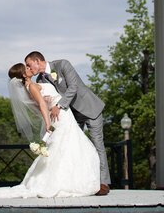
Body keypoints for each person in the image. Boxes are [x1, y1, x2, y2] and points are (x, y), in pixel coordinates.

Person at [0, 62, 100, 199]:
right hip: (59, 116)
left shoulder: (29, 87)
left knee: (65, 146)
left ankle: (66, 180)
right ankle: (64, 182)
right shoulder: (31, 85)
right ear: (24, 74)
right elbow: (42, 106)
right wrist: (48, 124)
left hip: (61, 113)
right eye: (26, 68)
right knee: (67, 146)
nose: (29, 68)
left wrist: (47, 100)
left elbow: (40, 103)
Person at [25, 51, 111, 196]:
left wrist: (58, 106)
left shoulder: (62, 64)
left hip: (90, 109)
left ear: (37, 61)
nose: (28, 68)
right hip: (70, 116)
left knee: (97, 145)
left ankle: (103, 183)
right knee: (75, 147)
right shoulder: (40, 81)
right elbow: (47, 100)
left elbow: (73, 87)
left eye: (29, 64)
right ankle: (83, 181)